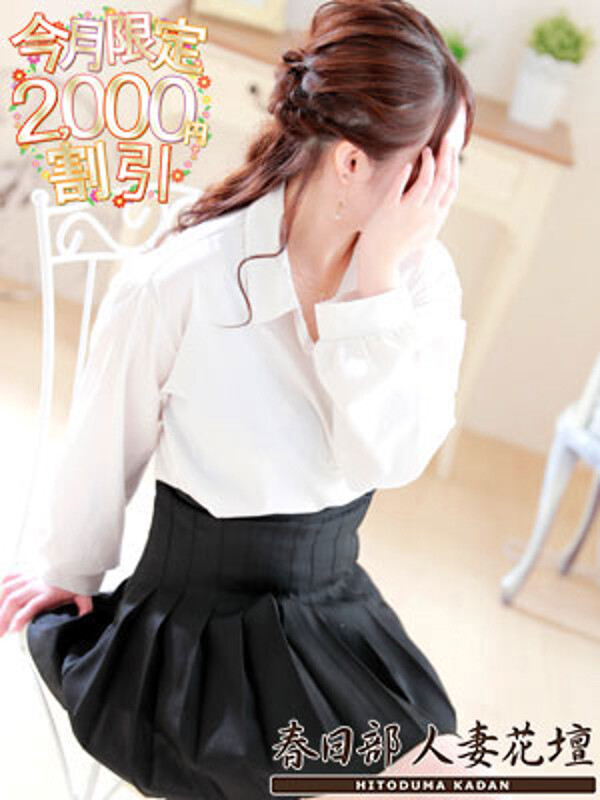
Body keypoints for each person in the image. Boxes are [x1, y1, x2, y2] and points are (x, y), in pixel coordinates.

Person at [0, 1, 483, 798]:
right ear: (352, 162)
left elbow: (391, 460)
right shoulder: (183, 280)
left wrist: (374, 289)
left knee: (437, 777)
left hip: (329, 606)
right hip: (197, 633)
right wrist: (65, 568)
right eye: (435, 165)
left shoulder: (422, 281)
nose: (445, 192)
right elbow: (102, 443)